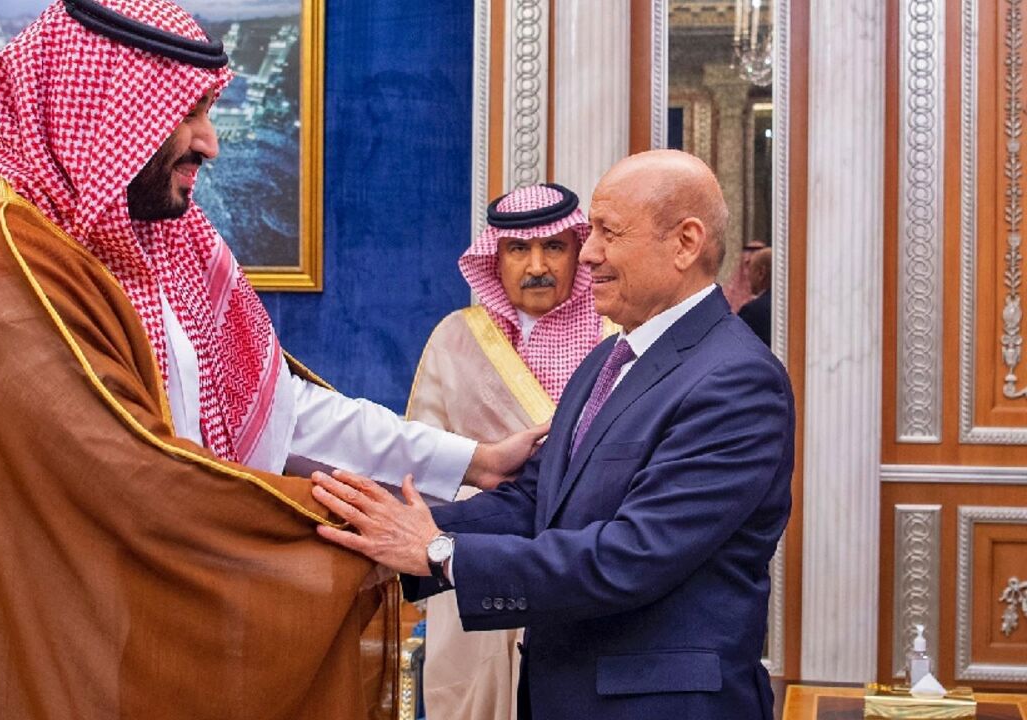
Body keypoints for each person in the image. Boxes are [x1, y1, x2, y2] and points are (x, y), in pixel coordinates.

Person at [0, 2, 538, 719]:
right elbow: (130, 477)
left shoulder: (163, 240)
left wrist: (473, 463)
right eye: (189, 113)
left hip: (142, 629)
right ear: (106, 113)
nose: (210, 143)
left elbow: (276, 410)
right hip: (38, 644)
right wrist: (367, 532)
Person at [311, 149, 795, 719]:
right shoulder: (610, 360)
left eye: (608, 234)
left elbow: (631, 556)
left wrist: (440, 553)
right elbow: (535, 500)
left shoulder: (736, 380)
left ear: (685, 244)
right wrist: (382, 532)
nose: (586, 255)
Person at [407, 182, 611, 720]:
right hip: (473, 568)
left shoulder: (614, 339)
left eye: (554, 248)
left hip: (578, 569)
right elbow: (421, 462)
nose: (536, 265)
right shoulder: (455, 339)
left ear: (578, 250)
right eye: (518, 250)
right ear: (494, 258)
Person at [738, 246, 772, 346]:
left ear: (761, 273)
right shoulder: (794, 306)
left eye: (751, 270)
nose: (748, 277)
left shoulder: (753, 311)